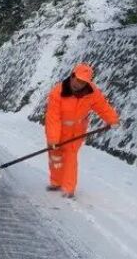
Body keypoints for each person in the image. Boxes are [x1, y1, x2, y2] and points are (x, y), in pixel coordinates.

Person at [45, 63, 119, 198]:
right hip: (58, 129)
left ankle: (68, 188)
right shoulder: (57, 92)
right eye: (78, 80)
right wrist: (53, 140)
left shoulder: (92, 93)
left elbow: (102, 106)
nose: (79, 84)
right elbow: (53, 118)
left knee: (70, 157)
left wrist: (112, 120)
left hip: (77, 131)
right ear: (72, 76)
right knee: (55, 156)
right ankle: (56, 182)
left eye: (83, 82)